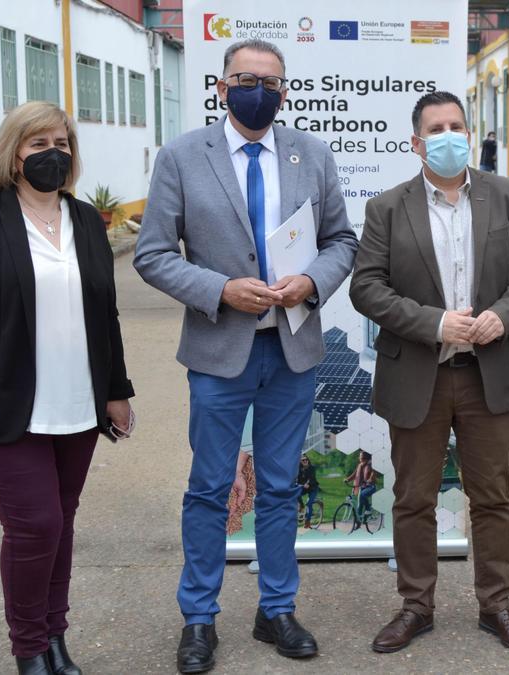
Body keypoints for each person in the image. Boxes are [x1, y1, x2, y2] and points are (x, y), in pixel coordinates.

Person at [133, 38, 357, 671]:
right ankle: (199, 619)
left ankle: (276, 609)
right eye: (245, 78)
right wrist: (220, 289)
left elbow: (342, 239)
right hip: (218, 350)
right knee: (209, 488)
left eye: (272, 81)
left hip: (291, 349)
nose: (259, 89)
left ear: (284, 91)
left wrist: (311, 282)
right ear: (222, 86)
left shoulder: (311, 153)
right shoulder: (181, 156)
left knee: (283, 486)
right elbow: (152, 253)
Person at [0, 101, 135, 675]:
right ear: (13, 151)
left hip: (77, 402)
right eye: (38, 143)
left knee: (61, 522)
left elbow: (106, 313)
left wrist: (116, 390)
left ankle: (55, 636)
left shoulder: (87, 221)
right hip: (2, 404)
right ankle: (28, 647)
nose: (53, 153)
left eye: (62, 143)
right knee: (35, 524)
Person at [350, 91, 509, 655]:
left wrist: (501, 316)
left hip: (489, 373)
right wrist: (436, 324)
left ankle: (497, 606)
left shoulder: (505, 197)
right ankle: (416, 606)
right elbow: (366, 287)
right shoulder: (387, 208)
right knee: (414, 498)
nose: (448, 136)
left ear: (470, 132)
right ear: (416, 143)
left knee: (491, 496)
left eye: (456, 125)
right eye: (435, 128)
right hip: (420, 373)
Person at [345, 450, 376, 520]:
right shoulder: (360, 465)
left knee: (362, 495)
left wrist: (370, 479)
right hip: (362, 486)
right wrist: (347, 479)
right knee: (360, 505)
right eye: (360, 457)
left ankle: (368, 510)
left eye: (361, 457)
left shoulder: (371, 465)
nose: (359, 458)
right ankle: (358, 520)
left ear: (366, 458)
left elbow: (373, 473)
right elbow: (355, 474)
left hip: (371, 487)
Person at [298, 455, 320, 526]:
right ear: (300, 462)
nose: (305, 461)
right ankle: (302, 506)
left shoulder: (312, 468)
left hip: (313, 488)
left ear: (308, 460)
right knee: (296, 494)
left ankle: (308, 521)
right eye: (303, 460)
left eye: (306, 459)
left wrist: (307, 483)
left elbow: (311, 478)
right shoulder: (299, 469)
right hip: (305, 488)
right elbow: (298, 479)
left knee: (309, 504)